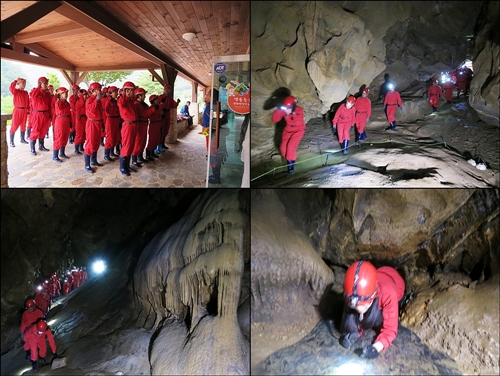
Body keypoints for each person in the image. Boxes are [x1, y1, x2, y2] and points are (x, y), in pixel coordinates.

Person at [339, 260, 405, 359]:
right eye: (354, 306)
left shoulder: (389, 294)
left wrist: (376, 347)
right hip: (379, 272)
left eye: (364, 305)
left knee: (376, 317)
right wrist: (353, 332)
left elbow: (390, 330)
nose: (359, 310)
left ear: (373, 297)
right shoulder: (353, 291)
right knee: (355, 314)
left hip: (395, 280)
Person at [272, 95, 306, 175]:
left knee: (290, 148)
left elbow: (297, 123)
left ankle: (291, 169)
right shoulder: (285, 109)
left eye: (288, 108)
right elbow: (275, 119)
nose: (286, 110)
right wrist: (279, 110)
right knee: (283, 150)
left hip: (298, 130)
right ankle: (290, 162)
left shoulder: (299, 110)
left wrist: (292, 113)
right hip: (288, 130)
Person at [132, 87, 159, 167]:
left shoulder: (142, 104)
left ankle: (140, 157)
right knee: (138, 142)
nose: (145, 96)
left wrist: (154, 107)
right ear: (139, 96)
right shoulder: (137, 104)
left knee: (143, 142)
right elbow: (144, 113)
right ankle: (134, 160)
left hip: (144, 124)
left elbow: (147, 111)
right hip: (140, 125)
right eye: (143, 95)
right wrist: (153, 108)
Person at [117, 81, 139, 176]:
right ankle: (122, 167)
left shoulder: (130, 100)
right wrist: (124, 94)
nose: (134, 92)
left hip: (133, 125)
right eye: (132, 90)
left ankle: (127, 166)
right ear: (128, 91)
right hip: (127, 126)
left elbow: (134, 98)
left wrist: (130, 95)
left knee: (131, 146)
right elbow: (121, 104)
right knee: (126, 146)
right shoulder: (123, 100)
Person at [84, 82, 105, 173]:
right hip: (92, 123)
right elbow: (92, 110)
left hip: (98, 123)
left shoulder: (98, 101)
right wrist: (96, 100)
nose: (100, 91)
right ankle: (87, 165)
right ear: (94, 90)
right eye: (99, 89)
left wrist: (103, 124)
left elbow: (101, 113)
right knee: (90, 144)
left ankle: (93, 160)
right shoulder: (89, 100)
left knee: (96, 143)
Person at [28, 77, 52, 156]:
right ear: (40, 84)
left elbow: (49, 105)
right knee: (35, 130)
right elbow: (33, 95)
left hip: (45, 114)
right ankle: (32, 148)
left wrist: (50, 115)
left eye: (46, 83)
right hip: (37, 114)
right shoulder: (35, 92)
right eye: (44, 83)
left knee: (43, 130)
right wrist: (39, 87)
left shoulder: (47, 94)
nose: (46, 85)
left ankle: (41, 146)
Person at [157, 83, 180, 152]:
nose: (167, 90)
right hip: (162, 115)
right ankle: (159, 145)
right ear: (164, 89)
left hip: (167, 114)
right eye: (166, 89)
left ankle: (163, 144)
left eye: (168, 89)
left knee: (166, 130)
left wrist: (177, 102)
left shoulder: (170, 98)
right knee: (161, 130)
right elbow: (157, 105)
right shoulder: (160, 97)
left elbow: (173, 105)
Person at [9, 77, 30, 147]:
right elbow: (11, 88)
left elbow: (28, 102)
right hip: (17, 110)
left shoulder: (26, 92)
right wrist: (15, 81)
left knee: (23, 125)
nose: (24, 84)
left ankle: (22, 139)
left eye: (25, 83)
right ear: (19, 84)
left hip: (24, 110)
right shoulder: (16, 91)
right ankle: (11, 141)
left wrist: (28, 110)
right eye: (23, 83)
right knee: (14, 125)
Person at [52, 87, 71, 162]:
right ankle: (55, 155)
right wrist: (59, 99)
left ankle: (62, 153)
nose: (66, 94)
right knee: (59, 137)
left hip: (66, 120)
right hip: (60, 120)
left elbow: (69, 113)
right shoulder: (58, 102)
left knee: (65, 136)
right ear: (59, 95)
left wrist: (71, 122)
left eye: (66, 93)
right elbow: (59, 108)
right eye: (63, 93)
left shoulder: (67, 103)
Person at [103, 86, 121, 161]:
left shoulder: (116, 101)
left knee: (115, 137)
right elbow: (106, 110)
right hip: (110, 121)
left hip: (116, 120)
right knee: (109, 138)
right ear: (111, 93)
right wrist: (110, 99)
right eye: (115, 92)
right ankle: (106, 155)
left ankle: (111, 152)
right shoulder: (108, 101)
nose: (117, 93)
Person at [146, 94, 163, 160]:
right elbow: (148, 115)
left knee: (156, 140)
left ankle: (152, 152)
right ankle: (148, 154)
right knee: (152, 140)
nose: (158, 100)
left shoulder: (158, 107)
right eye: (156, 99)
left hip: (158, 124)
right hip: (153, 125)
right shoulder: (151, 108)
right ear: (153, 101)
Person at [74, 89, 88, 155]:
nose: (86, 96)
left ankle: (81, 147)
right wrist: (82, 97)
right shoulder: (79, 102)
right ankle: (76, 149)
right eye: (84, 95)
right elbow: (82, 103)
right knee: (79, 133)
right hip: (79, 119)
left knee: (83, 134)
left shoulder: (85, 101)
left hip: (84, 118)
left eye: (86, 95)